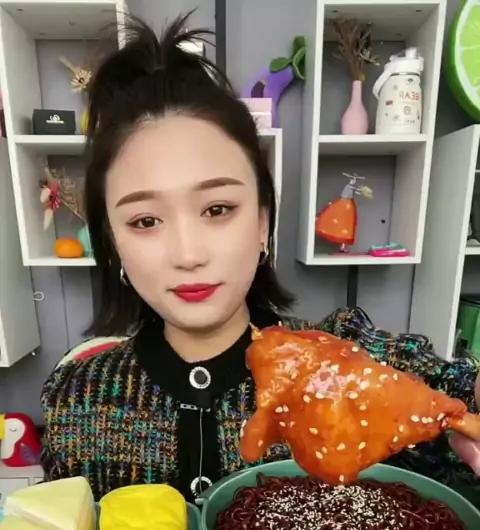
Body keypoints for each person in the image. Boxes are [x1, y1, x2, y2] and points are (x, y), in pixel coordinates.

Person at [41, 15, 480, 505]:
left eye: (218, 209)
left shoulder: (350, 358)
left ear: (262, 222)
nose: (188, 254)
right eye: (145, 221)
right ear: (112, 241)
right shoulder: (78, 397)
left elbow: (457, 390)